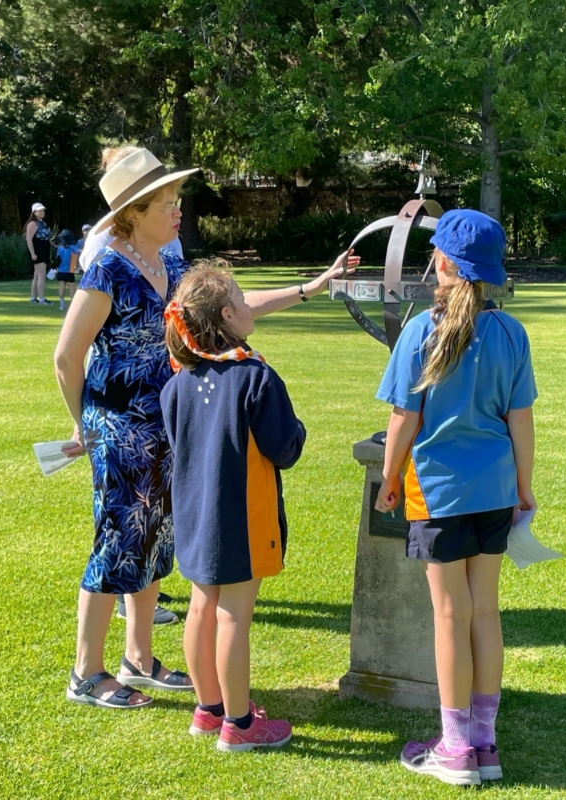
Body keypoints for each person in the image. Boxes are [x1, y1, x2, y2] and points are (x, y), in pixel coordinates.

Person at [54, 145, 358, 710]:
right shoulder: (107, 269)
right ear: (133, 212)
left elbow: (227, 310)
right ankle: (85, 673)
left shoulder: (168, 259)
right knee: (118, 541)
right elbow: (67, 357)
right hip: (119, 428)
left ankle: (138, 658)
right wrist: (85, 427)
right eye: (166, 202)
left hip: (171, 419)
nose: (177, 210)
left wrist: (310, 288)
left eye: (175, 199)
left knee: (159, 538)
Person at [374, 209, 537, 786]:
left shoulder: (422, 330)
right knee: (484, 612)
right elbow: (521, 422)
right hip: (495, 493)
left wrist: (389, 478)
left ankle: (454, 747)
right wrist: (523, 488)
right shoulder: (512, 333)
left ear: (441, 262)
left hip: (437, 496)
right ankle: (484, 745)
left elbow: (402, 419)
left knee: (450, 615)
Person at [161, 264, 306, 752]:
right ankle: (240, 725)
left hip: (195, 515)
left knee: (201, 609)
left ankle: (210, 710)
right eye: (243, 301)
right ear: (226, 314)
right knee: (233, 618)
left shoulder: (178, 381)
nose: (249, 307)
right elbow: (285, 448)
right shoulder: (255, 377)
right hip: (243, 519)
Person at [24, 202, 53, 305]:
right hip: (38, 251)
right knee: (42, 275)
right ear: (34, 212)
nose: (42, 212)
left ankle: (33, 298)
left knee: (37, 276)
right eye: (39, 211)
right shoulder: (33, 223)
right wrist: (33, 253)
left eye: (43, 210)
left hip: (44, 249)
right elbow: (29, 239)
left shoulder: (43, 223)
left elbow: (46, 238)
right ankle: (42, 299)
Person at [55, 229, 80, 311]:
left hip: (61, 271)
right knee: (71, 288)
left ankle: (62, 305)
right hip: (70, 271)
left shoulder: (59, 249)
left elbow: (58, 260)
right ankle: (73, 306)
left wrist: (56, 268)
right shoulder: (72, 247)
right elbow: (78, 252)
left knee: (61, 288)